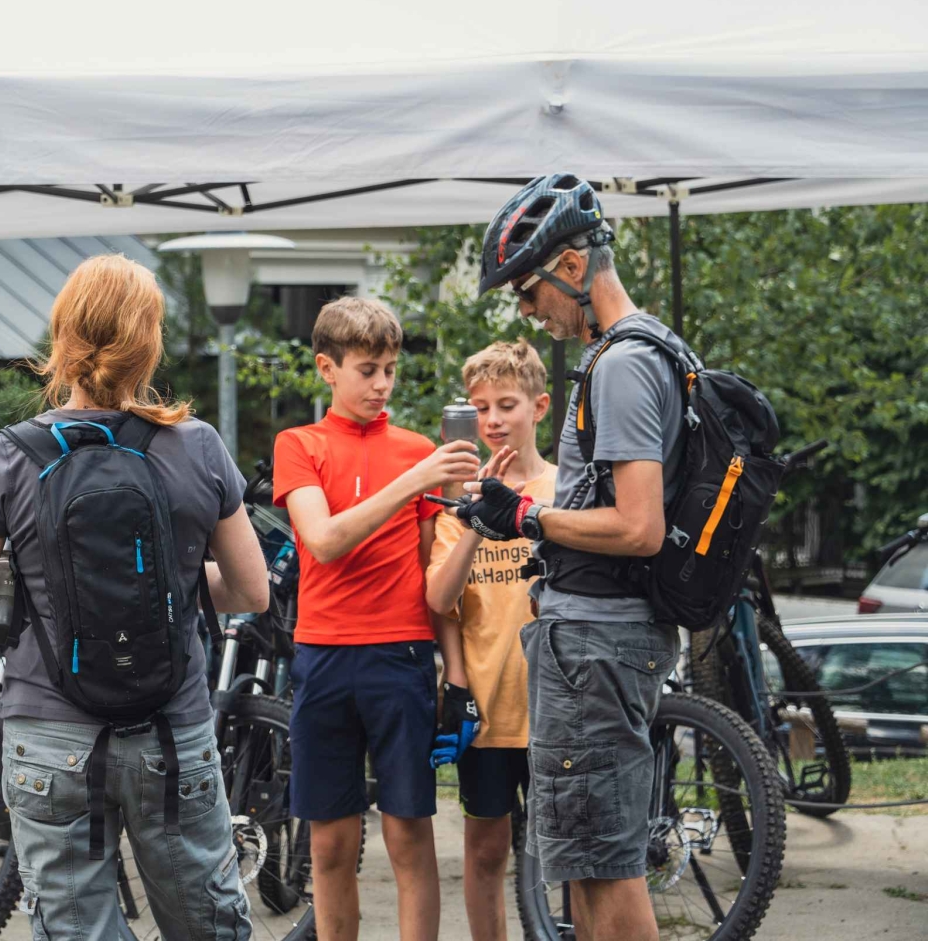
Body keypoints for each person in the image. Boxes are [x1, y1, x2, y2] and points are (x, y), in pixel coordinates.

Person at [0, 254, 271, 940]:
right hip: (171, 734)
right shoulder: (198, 446)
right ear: (149, 341)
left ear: (61, 336)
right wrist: (172, 587)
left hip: (48, 731)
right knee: (207, 926)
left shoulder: (9, 454)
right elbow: (251, 590)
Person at [456, 174, 684, 941]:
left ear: (575, 268)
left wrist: (528, 516)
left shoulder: (621, 364)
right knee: (587, 862)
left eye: (528, 290)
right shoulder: (650, 350)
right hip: (597, 639)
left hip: (595, 644)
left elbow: (639, 526)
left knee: (606, 866)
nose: (527, 310)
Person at [271, 296, 481, 941]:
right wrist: (415, 481)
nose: (383, 383)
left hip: (402, 657)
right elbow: (324, 540)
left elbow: (433, 582)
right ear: (326, 368)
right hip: (325, 656)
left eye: (390, 368)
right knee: (330, 846)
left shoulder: (417, 449)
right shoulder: (299, 444)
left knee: (409, 837)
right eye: (368, 369)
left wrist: (459, 672)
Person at [424, 340, 557, 941]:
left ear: (540, 407)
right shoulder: (457, 502)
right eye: (481, 408)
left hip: (558, 707)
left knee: (569, 859)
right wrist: (476, 522)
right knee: (485, 853)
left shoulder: (564, 490)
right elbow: (439, 601)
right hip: (489, 708)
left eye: (507, 404)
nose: (494, 420)